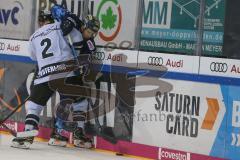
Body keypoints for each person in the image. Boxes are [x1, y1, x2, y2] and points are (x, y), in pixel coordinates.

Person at [11, 8, 100, 149]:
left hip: (44, 74)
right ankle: (64, 134)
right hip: (65, 71)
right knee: (77, 99)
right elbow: (78, 45)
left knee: (34, 106)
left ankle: (27, 134)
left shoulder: (33, 36)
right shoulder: (62, 26)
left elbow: (33, 57)